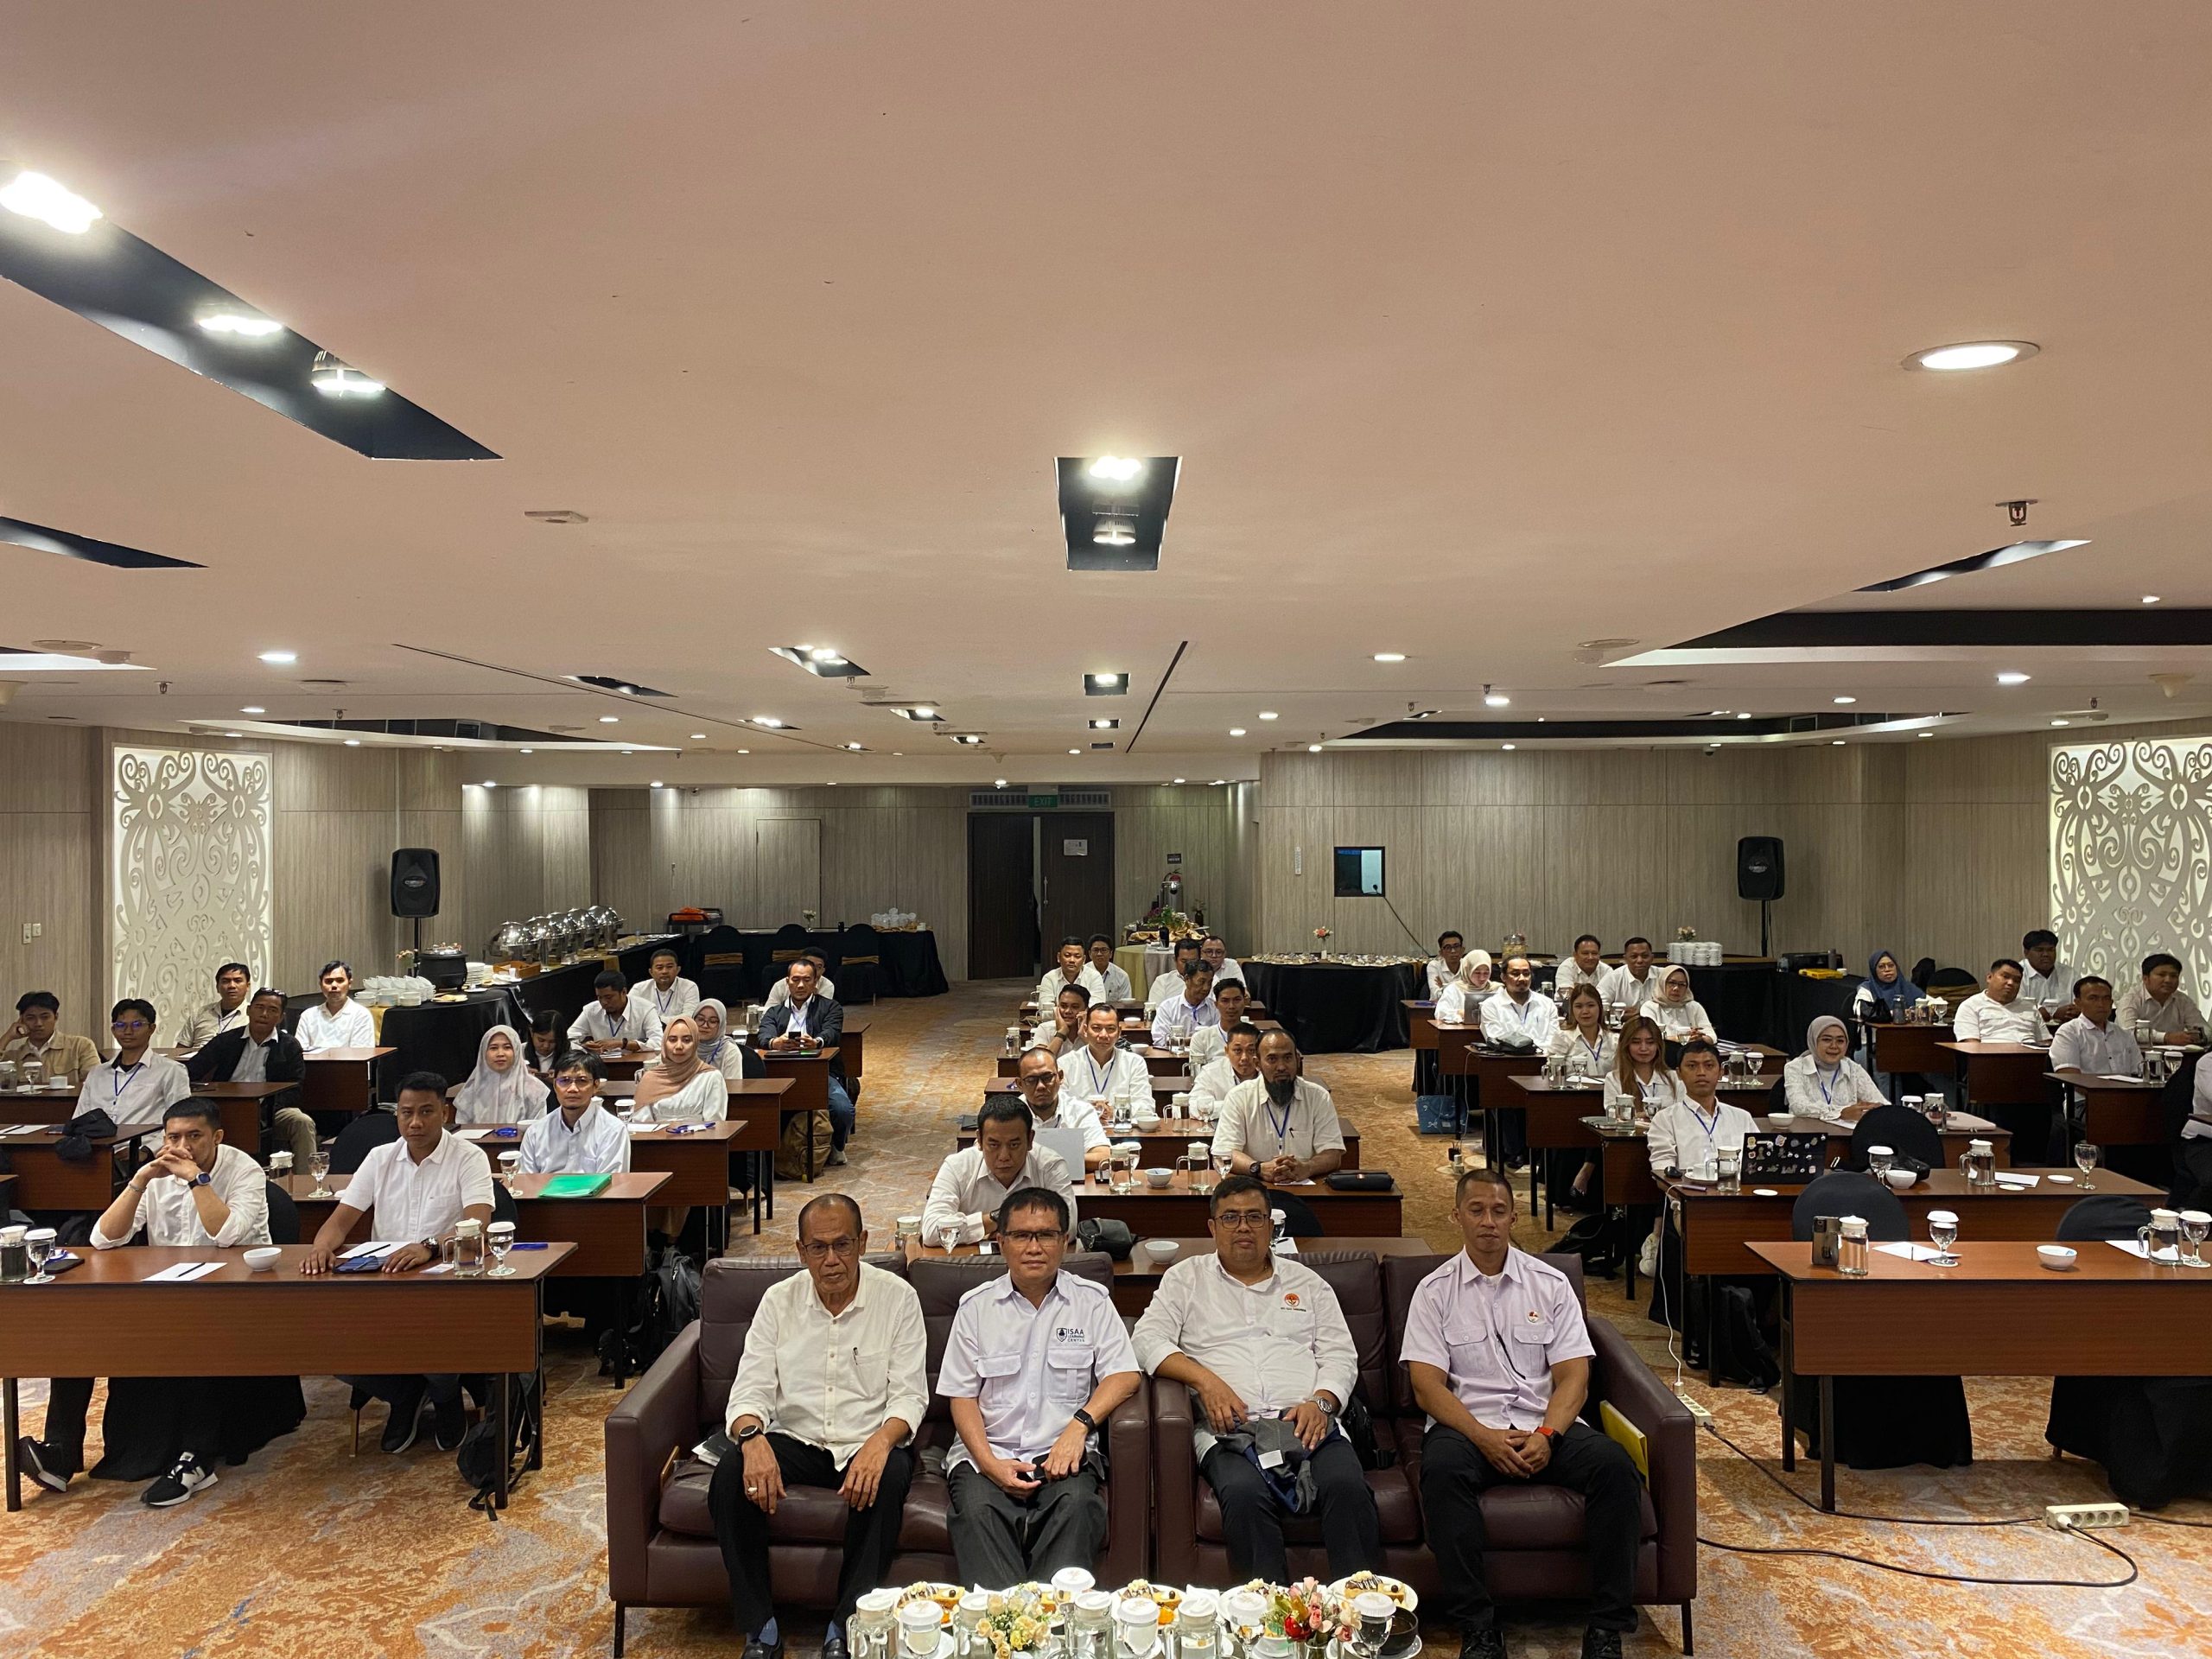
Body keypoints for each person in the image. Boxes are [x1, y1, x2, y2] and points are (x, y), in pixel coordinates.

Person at [1404, 1166, 1643, 1659]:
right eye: (1476, 1210)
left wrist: (1549, 1434)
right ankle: (1478, 1627)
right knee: (1441, 1471)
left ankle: (1606, 1627)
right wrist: (1482, 1436)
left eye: (1498, 1211)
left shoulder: (1550, 1284)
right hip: (1468, 1427)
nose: (1488, 1222)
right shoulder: (1433, 1291)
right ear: (1456, 1216)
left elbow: (1574, 1376)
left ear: (1514, 1218)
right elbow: (1427, 1388)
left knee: (1616, 1468)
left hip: (1543, 1423)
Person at [15, 1099, 300, 1507]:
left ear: (217, 1137)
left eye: (194, 1136)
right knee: (81, 1330)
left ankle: (196, 1458)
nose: (182, 1147)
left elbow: (228, 1235)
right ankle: (60, 1454)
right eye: (174, 1137)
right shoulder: (157, 1174)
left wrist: (198, 1180)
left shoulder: (244, 1170)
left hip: (235, 1291)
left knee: (193, 1331)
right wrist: (140, 1179)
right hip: (168, 1291)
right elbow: (103, 1239)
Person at [1132, 1174, 1377, 1582]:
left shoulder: (1308, 1284)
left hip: (1308, 1425)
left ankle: (1357, 1610)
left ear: (1271, 1225)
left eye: (1254, 1217)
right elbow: (1145, 1339)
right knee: (1244, 1494)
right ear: (1212, 1227)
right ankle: (1266, 1614)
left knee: (1346, 1485)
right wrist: (1205, 1381)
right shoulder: (1185, 1279)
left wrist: (1321, 1402)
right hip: (1230, 1432)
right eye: (1230, 1218)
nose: (1243, 1227)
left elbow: (1340, 1354)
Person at [713, 1195, 925, 1659]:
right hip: (798, 1438)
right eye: (818, 1248)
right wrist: (751, 1439)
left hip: (868, 1439)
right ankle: (760, 1628)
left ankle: (846, 1626)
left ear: (863, 1243)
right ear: (801, 1251)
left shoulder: (897, 1298)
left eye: (843, 1245)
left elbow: (910, 1395)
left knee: (889, 1476)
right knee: (730, 1474)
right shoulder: (778, 1301)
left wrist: (880, 1444)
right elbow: (750, 1388)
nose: (832, 1260)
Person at [941, 1186, 1140, 1584]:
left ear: (1065, 1241)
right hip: (988, 1454)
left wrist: (1079, 1427)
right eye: (1021, 1236)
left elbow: (1124, 1375)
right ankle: (1006, 1616)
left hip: (1062, 1454)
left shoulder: (1092, 1301)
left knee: (1079, 1505)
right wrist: (990, 1464)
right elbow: (961, 1397)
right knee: (977, 1511)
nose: (1034, 1247)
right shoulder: (976, 1308)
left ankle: (1051, 1619)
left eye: (1046, 1235)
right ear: (1001, 1243)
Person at [301, 1073, 495, 1453]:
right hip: (383, 1282)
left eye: (426, 1112)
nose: (415, 1122)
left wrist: (429, 1247)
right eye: (407, 1113)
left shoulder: (468, 1157)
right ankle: (404, 1395)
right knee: (326, 1345)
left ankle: (446, 1396)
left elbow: (477, 1222)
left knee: (433, 1336)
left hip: (445, 1281)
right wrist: (320, 1248)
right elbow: (339, 1222)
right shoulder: (380, 1158)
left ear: (445, 1112)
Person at [922, 1096, 1078, 1246]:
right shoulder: (957, 1166)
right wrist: (997, 1218)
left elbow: (1068, 1228)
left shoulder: (1050, 1166)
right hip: (973, 1262)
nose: (1004, 1156)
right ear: (980, 1140)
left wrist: (990, 1227)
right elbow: (931, 1230)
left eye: (1014, 1145)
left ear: (1030, 1140)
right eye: (994, 1145)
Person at [186, 985, 312, 1164]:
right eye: (259, 1008)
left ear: (281, 1017)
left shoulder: (289, 1046)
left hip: (272, 1109)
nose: (264, 1014)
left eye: (272, 1010)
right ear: (249, 1010)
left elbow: (295, 1088)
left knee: (301, 1122)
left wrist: (264, 1110)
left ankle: (305, 1178)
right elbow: (193, 1069)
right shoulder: (226, 1040)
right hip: (225, 1108)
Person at [756, 959, 856, 1164]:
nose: (800, 985)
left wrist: (816, 1042)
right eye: (795, 980)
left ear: (815, 982)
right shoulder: (774, 1012)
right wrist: (776, 1042)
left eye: (806, 980)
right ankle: (771, 1156)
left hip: (819, 1073)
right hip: (781, 1074)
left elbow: (832, 1033)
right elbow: (763, 1035)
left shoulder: (830, 1007)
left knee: (842, 1109)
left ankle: (836, 1146)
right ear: (787, 982)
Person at [1212, 1031, 1345, 1184]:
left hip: (1304, 1188)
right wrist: (1258, 1168)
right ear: (1257, 1064)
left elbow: (1333, 1153)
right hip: (1254, 1188)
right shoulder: (1239, 1097)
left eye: (1288, 1058)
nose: (1281, 1067)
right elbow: (1224, 1152)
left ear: (1297, 1060)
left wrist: (1308, 1168)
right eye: (1272, 1059)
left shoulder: (1318, 1097)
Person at [1647, 1041, 1754, 1178]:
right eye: (1692, 1066)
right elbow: (1663, 1175)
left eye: (1709, 1066)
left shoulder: (1742, 1118)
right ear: (1679, 1073)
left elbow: (1756, 1166)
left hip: (1736, 1190)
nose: (1701, 1073)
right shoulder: (1665, 1120)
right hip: (1689, 1190)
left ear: (1721, 1072)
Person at [519, 1051, 631, 1174]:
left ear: (596, 1086)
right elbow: (526, 1181)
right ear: (555, 1086)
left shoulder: (613, 1130)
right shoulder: (535, 1132)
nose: (572, 1089)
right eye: (564, 1081)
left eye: (582, 1081)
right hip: (543, 1188)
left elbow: (611, 1181)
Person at [80, 1000, 194, 1121]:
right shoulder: (97, 1073)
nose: (128, 1031)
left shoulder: (171, 1071)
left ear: (151, 1029)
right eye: (120, 1025)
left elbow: (181, 1120)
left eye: (137, 1025)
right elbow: (80, 1118)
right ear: (113, 1030)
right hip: (97, 1133)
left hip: (148, 1134)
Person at [1012, 1044, 1109, 1170]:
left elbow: (1104, 1157)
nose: (1041, 1086)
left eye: (1047, 1077)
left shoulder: (1080, 1111)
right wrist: (1067, 1160)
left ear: (1060, 1077)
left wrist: (1042, 1161)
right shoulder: (1009, 1115)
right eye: (1031, 1080)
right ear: (1020, 1084)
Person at [1057, 1002, 1154, 1125]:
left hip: (1121, 1132)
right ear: (1085, 1030)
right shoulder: (1066, 1063)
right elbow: (1059, 1106)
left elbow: (1146, 1106)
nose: (1103, 1035)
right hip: (1081, 1132)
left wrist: (1116, 1111)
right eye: (1096, 1028)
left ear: (1119, 1032)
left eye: (1110, 1029)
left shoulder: (1134, 1063)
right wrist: (1088, 1111)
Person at [1782, 1015, 1887, 1121]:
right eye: (1827, 1040)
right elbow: (1799, 1107)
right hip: (1807, 1130)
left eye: (1840, 1041)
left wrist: (1874, 1109)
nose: (1834, 1046)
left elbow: (1882, 1105)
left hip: (1847, 1130)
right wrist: (1841, 1113)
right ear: (1814, 1041)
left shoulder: (1853, 1069)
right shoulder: (1795, 1067)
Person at [632, 1014, 727, 1122]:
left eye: (686, 1040)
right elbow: (640, 1123)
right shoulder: (650, 1078)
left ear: (696, 1043)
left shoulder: (711, 1077)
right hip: (657, 1133)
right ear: (664, 1043)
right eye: (672, 1040)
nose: (679, 1046)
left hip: (700, 1132)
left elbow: (715, 1122)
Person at [450, 1024, 551, 1123]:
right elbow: (462, 1127)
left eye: (507, 1047)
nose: (500, 1054)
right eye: (493, 1048)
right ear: (484, 1052)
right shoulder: (471, 1089)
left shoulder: (535, 1090)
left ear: (516, 1051)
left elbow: (538, 1128)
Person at [2050, 976, 2143, 1077]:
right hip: (2086, 1088)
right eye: (2093, 998)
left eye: (2106, 998)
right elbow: (2070, 1077)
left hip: (2126, 1087)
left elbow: (2140, 1072)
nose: (2101, 1004)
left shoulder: (2125, 1035)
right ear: (2078, 1003)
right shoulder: (2069, 1033)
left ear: (2111, 1003)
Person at [3, 991, 99, 1084]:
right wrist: (7, 1037)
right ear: (22, 1020)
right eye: (30, 1018)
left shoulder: (80, 1046)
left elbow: (96, 1083)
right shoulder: (13, 1057)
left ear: (56, 1017)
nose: (38, 1023)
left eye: (45, 1017)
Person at [1950, 959, 2050, 1043]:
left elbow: (2045, 1041)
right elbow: (1971, 1045)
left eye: (2016, 980)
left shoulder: (2029, 1007)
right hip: (1991, 1057)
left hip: (2031, 1057)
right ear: (1989, 977)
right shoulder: (1970, 1006)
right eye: (2005, 976)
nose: (2011, 983)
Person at [2118, 952, 2206, 1045]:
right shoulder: (2131, 1000)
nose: (2168, 980)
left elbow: (2205, 1029)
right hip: (2135, 1052)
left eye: (2173, 976)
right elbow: (2128, 1032)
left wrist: (2198, 1036)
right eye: (2161, 975)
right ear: (2145, 979)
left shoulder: (2183, 1000)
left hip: (2176, 1052)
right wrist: (2166, 1037)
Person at [1604, 1016, 1681, 1121]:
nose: (1644, 1048)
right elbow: (1613, 1116)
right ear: (1626, 1045)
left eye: (1650, 1042)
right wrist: (1642, 1116)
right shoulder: (1614, 1079)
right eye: (1636, 1042)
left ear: (1658, 1045)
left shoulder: (1675, 1078)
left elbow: (1682, 1115)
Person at [569, 969, 664, 1053]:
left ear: (623, 992)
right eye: (599, 997)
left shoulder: (645, 1009)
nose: (604, 1002)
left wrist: (622, 1044)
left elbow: (658, 1042)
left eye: (608, 997)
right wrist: (583, 1047)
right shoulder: (591, 1010)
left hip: (636, 1063)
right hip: (602, 1064)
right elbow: (568, 1039)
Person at [1480, 955, 1559, 1048]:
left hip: (1544, 1055)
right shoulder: (1491, 1006)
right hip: (1508, 1057)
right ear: (1503, 977)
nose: (1522, 978)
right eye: (1515, 974)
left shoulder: (1547, 1004)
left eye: (1526, 974)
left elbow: (1554, 1040)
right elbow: (1496, 1041)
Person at [296, 961, 374, 1050]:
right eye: (328, 981)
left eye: (340, 980)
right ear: (320, 985)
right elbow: (299, 1053)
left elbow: (361, 1054)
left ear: (350, 983)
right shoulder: (308, 1016)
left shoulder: (361, 1015)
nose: (334, 985)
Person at [1191, 1021, 1263, 1116]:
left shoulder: (1270, 1072)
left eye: (1251, 1051)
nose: (1244, 1057)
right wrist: (1236, 1107)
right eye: (1238, 1050)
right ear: (1227, 1051)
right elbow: (1193, 1106)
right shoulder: (1211, 1072)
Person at [177, 962, 254, 1048]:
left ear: (248, 986)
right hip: (197, 1056)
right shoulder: (200, 1014)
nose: (232, 986)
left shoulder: (254, 1016)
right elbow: (180, 1051)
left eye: (238, 981)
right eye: (225, 981)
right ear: (217, 987)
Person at [1548, 983, 1617, 1077]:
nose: (1585, 1011)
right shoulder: (1563, 1038)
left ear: (1600, 1007)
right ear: (1572, 1010)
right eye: (1579, 1006)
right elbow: (1553, 1074)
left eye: (1591, 1005)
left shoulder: (1615, 1040)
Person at [1151, 960, 1219, 1049]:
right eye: (1201, 982)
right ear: (1187, 979)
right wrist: (1192, 1041)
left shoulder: (1215, 1008)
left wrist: (1181, 1041)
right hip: (1174, 1056)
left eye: (1209, 983)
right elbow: (1159, 1040)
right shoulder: (1168, 1007)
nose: (1206, 988)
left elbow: (1219, 1039)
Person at [1641, 965, 1716, 1044]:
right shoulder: (1649, 1007)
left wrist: (1700, 1038)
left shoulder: (1694, 1007)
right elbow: (1649, 1036)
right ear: (1662, 983)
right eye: (1671, 983)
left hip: (1691, 1049)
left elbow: (1712, 1036)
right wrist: (1678, 1039)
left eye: (1682, 984)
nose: (1676, 988)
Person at [697, 998, 769, 1080]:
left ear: (721, 1025)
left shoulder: (730, 1052)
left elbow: (732, 1087)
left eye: (713, 1021)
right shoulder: (687, 1047)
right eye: (700, 1019)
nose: (705, 1025)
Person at [1188, 977, 1249, 1070]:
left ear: (1244, 1002)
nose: (1231, 1006)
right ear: (1216, 1004)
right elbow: (1196, 1073)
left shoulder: (1256, 1037)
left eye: (1237, 1000)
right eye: (1225, 1001)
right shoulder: (1201, 1039)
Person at [1036, 938, 1109, 1012]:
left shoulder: (1094, 977)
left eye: (1077, 956)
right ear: (1058, 957)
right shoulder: (1049, 978)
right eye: (1067, 955)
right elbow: (1045, 1011)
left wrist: (1060, 1011)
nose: (1072, 960)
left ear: (1084, 960)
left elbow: (1097, 1009)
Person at [2019, 930, 2077, 1020]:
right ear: (2026, 953)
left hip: (2065, 1026)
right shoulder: (2017, 973)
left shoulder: (2069, 973)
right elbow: (2018, 1005)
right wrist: (2051, 1015)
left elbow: (2080, 1002)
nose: (2046, 954)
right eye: (2039, 950)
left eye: (2051, 950)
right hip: (2029, 1026)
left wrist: (2074, 1010)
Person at [633, 946, 702, 1024]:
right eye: (659, 968)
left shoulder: (689, 987)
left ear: (678, 970)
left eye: (669, 967)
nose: (664, 971)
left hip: (679, 1030)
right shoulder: (639, 989)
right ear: (651, 972)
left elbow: (689, 1017)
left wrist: (655, 1020)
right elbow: (632, 1016)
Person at [1595, 938, 1658, 1019]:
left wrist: (1643, 1013)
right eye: (1634, 956)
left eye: (1645, 956)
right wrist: (1618, 1014)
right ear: (1625, 959)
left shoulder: (1664, 976)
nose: (1640, 960)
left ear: (1652, 958)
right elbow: (1597, 1006)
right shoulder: (1613, 978)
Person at [1027, 982, 1093, 1058]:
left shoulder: (1094, 1031)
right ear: (1057, 1008)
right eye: (1063, 1006)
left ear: (1086, 1010)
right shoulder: (1045, 1029)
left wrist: (1084, 1037)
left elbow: (1101, 1061)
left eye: (1075, 1007)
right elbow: (1040, 1063)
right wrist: (1061, 1033)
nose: (1068, 1011)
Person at [1434, 950, 1496, 1025]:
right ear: (1467, 970)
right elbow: (1440, 1013)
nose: (1482, 978)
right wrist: (1459, 1013)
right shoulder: (1454, 989)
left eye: (1486, 973)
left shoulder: (1497, 989)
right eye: (1477, 973)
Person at [1144, 937, 1203, 1012]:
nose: (1189, 965)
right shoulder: (1163, 981)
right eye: (1184, 961)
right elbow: (1155, 1010)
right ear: (1175, 960)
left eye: (1193, 961)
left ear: (1200, 960)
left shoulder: (1211, 981)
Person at [764, 950, 836, 1009]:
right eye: (809, 965)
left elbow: (822, 1013)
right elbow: (768, 1012)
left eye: (818, 967)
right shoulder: (780, 986)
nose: (813, 970)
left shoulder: (827, 986)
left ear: (823, 971)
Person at [1554, 935, 1606, 999]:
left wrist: (1577, 989)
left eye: (1594, 953)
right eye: (1585, 953)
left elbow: (1609, 996)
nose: (1590, 957)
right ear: (1575, 955)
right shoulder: (1566, 967)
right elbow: (1566, 996)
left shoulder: (1606, 970)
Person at [1086, 934, 1135, 1002]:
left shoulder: (1122, 976)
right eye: (1096, 950)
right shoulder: (1082, 973)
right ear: (1090, 954)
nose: (1099, 954)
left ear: (1111, 953)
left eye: (1104, 950)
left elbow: (1124, 1004)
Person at [523, 1008, 565, 1079]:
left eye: (552, 1041)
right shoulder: (518, 1052)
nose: (546, 1046)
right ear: (531, 1032)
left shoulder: (574, 1053)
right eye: (541, 1040)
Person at [1427, 930, 1468, 1001]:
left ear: (1462, 950)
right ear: (1441, 953)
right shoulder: (1434, 966)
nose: (1453, 951)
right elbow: (1436, 995)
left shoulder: (1468, 965)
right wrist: (1462, 987)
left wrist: (1444, 987)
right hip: (1438, 1006)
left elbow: (1472, 993)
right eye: (1448, 947)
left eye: (1456, 946)